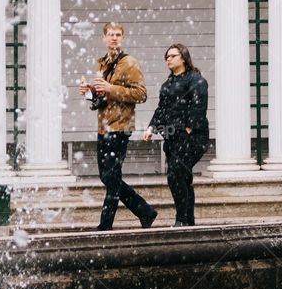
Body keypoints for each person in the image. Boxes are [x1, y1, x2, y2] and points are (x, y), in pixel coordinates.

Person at [79, 22, 158, 231]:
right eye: (110, 34)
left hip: (120, 127)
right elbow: (102, 98)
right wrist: (89, 91)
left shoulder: (130, 63)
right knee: (107, 177)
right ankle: (145, 211)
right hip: (104, 126)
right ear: (104, 38)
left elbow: (141, 94)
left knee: (112, 179)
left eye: (118, 35)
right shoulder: (103, 63)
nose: (114, 38)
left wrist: (110, 88)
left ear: (122, 38)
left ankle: (105, 226)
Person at [143, 43, 209, 227]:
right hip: (172, 138)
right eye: (167, 57)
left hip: (193, 138)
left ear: (183, 58)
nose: (168, 59)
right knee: (184, 177)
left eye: (173, 56)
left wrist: (188, 129)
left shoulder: (196, 80)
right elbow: (161, 109)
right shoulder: (167, 85)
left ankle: (181, 219)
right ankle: (189, 221)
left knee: (175, 175)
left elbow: (199, 108)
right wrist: (151, 128)